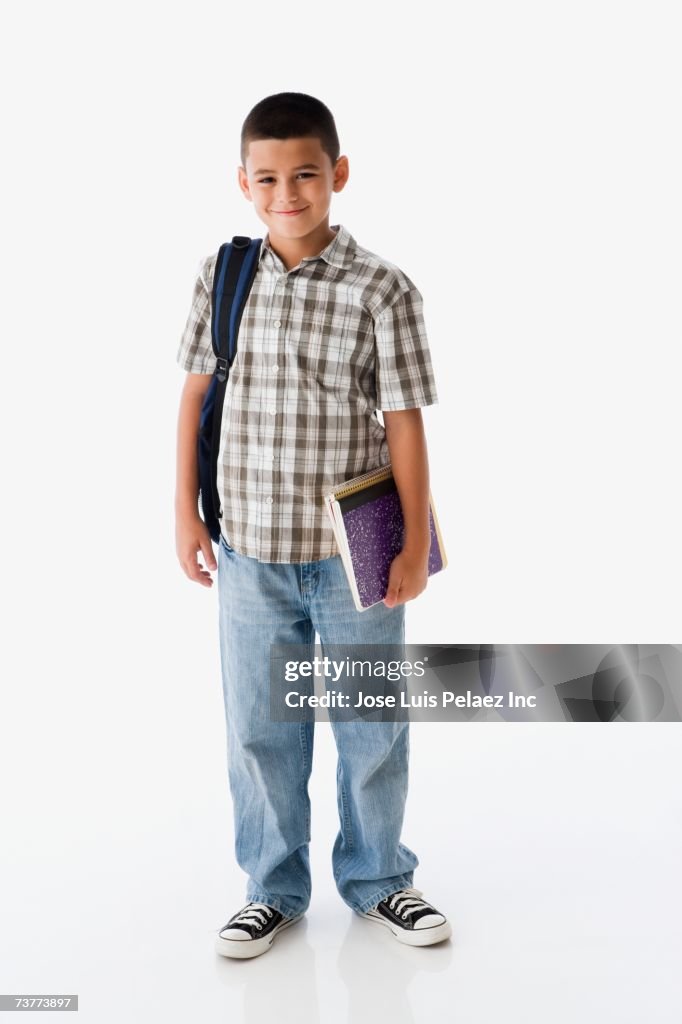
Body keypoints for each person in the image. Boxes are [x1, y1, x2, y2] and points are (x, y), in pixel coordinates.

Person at [175, 92, 451, 958]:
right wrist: (181, 507)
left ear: (337, 173)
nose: (286, 193)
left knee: (370, 721)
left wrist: (411, 539)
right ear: (243, 184)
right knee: (260, 727)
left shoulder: (383, 288)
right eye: (266, 178)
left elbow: (403, 419)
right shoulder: (224, 278)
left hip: (353, 551)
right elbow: (195, 393)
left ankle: (379, 879)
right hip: (249, 546)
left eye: (304, 174)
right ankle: (272, 887)